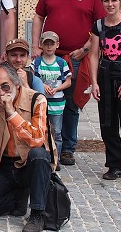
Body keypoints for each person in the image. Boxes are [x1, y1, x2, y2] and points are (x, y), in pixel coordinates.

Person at [32, 0, 106, 166]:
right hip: (48, 56)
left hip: (75, 57)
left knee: (71, 104)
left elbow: (99, 27)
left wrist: (84, 49)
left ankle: (67, 148)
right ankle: (45, 143)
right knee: (44, 101)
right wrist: (36, 45)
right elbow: (38, 16)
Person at [0, 63, 54, 232]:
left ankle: (37, 214)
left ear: (16, 83)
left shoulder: (37, 99)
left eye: (5, 86)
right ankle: (17, 198)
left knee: (39, 154)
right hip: (5, 167)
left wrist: (12, 113)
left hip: (29, 165)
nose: (1, 93)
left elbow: (37, 139)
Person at [89, 0, 121, 184]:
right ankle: (115, 164)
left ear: (120, 2)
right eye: (106, 1)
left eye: (114, 1)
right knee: (107, 123)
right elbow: (93, 55)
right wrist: (94, 82)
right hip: (105, 77)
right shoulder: (98, 26)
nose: (110, 4)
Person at [33, 31, 72, 159]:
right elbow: (32, 79)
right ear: (41, 45)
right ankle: (43, 156)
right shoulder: (37, 63)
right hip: (42, 104)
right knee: (41, 130)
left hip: (57, 104)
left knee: (57, 132)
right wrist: (43, 86)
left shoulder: (61, 63)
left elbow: (68, 81)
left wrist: (57, 88)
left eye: (52, 44)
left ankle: (55, 158)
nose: (49, 47)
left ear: (57, 45)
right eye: (46, 44)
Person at [0, 38, 46, 105]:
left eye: (22, 55)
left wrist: (25, 85)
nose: (18, 59)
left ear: (28, 57)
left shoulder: (34, 81)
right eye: (14, 55)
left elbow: (40, 108)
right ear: (6, 57)